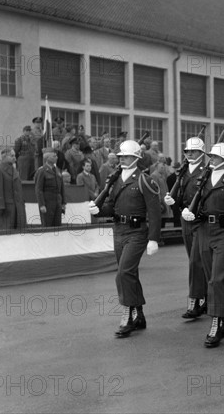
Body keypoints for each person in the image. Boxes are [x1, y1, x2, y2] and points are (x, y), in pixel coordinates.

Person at [88, 140, 161, 338]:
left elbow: (155, 212)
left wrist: (153, 238)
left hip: (137, 232)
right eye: (120, 156)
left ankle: (127, 313)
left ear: (136, 158)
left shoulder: (144, 180)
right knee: (130, 274)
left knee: (123, 272)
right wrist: (98, 211)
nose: (122, 159)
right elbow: (111, 206)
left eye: (126, 156)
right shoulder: (116, 179)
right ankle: (139, 315)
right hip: (119, 230)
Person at [181, 142, 224, 348]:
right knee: (211, 278)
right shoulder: (202, 180)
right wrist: (190, 214)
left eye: (215, 157)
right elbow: (196, 204)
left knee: (217, 281)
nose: (211, 158)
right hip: (203, 232)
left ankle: (216, 322)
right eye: (210, 156)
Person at [164, 137, 209, 319]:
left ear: (201, 153)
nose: (189, 154)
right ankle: (205, 296)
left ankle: (196, 300)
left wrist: (198, 212)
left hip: (200, 220)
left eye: (193, 151)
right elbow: (180, 194)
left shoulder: (207, 171)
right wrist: (173, 202)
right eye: (187, 151)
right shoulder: (182, 173)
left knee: (196, 261)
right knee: (193, 258)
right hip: (185, 218)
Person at [0, 149, 26, 230]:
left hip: (17, 209)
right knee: (4, 237)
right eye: (12, 156)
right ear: (4, 157)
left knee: (18, 237)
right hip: (5, 210)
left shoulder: (15, 170)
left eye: (15, 156)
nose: (15, 158)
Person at [35, 149, 66, 227]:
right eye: (54, 156)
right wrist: (41, 204)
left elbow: (61, 188)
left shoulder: (57, 170)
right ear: (47, 158)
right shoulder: (42, 171)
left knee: (58, 225)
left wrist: (63, 203)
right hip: (47, 203)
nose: (57, 157)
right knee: (48, 226)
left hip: (57, 203)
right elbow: (39, 189)